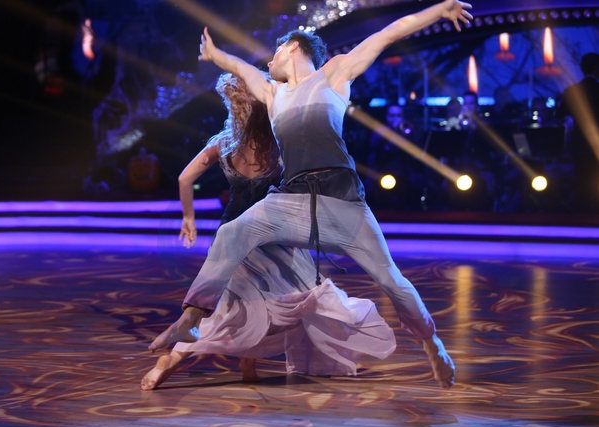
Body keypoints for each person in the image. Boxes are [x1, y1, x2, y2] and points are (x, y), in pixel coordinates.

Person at [149, 0, 473, 390]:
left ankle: (432, 343)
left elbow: (389, 33)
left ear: (291, 47)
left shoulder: (334, 74)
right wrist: (217, 56)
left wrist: (439, 10)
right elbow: (241, 68)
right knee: (233, 231)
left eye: (274, 53)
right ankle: (191, 319)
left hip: (344, 203)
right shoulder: (273, 95)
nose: (268, 62)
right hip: (293, 201)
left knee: (392, 280)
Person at [141, 73, 396, 390]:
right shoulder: (281, 144)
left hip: (232, 232)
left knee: (238, 301)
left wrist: (188, 218)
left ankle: (239, 363)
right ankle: (178, 359)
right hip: (273, 231)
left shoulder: (224, 143)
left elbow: (184, 178)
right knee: (278, 299)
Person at [558, 52, 599, 213]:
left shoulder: (571, 91)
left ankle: (582, 211)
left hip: (579, 142)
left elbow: (560, 114)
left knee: (581, 177)